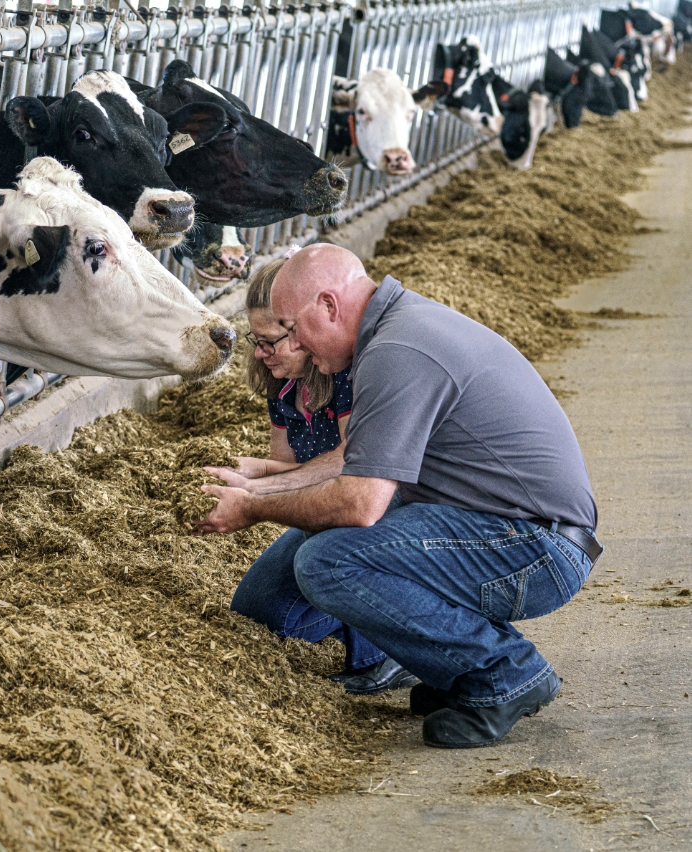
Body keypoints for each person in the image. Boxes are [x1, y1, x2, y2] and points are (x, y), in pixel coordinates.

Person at [195, 243, 601, 749]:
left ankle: (502, 669)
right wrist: (257, 485)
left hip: (535, 547)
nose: (293, 345)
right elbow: (355, 464)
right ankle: (448, 667)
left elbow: (359, 502)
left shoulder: (396, 351)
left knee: (328, 562)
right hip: (485, 520)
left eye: (292, 329)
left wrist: (254, 507)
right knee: (271, 596)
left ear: (327, 305)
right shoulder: (393, 331)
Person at [231, 258, 417, 695]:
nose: (261, 352)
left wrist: (257, 492)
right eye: (255, 341)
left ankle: (387, 649)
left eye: (274, 340)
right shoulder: (281, 383)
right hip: (325, 505)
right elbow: (288, 464)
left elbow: (348, 461)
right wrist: (249, 474)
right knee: (258, 614)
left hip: (374, 501)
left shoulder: (349, 372)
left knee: (312, 582)